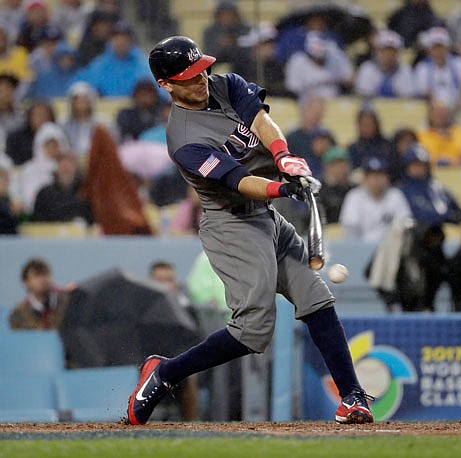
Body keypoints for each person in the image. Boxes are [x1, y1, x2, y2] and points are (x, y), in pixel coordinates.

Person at [126, 35, 374, 426]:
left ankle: (352, 396)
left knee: (316, 298)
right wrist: (282, 188)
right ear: (166, 85)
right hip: (231, 223)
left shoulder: (225, 85)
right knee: (254, 329)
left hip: (263, 214)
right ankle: (166, 372)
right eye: (189, 76)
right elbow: (238, 180)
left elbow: (261, 119)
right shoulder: (184, 140)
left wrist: (284, 157)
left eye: (201, 69)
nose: (201, 79)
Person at [149, 260, 199, 422]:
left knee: (190, 378)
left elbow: (196, 339)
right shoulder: (141, 311)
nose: (165, 285)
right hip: (147, 364)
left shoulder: (186, 309)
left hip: (176, 364)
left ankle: (190, 427)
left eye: (169, 280)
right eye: (160, 280)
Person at [339, 157, 412, 242]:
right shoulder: (354, 196)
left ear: (387, 178)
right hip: (361, 249)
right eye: (373, 176)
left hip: (390, 250)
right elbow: (350, 228)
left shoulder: (395, 196)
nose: (377, 180)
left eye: (380, 175)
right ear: (365, 178)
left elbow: (405, 225)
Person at [73, 21, 154, 97]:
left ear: (131, 41)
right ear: (111, 40)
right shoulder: (98, 65)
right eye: (117, 39)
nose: (121, 42)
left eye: (124, 39)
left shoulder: (143, 65)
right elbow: (84, 88)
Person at [397, 143, 461, 226]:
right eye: (415, 164)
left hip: (440, 232)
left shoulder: (437, 187)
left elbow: (460, 215)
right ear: (407, 166)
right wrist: (442, 216)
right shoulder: (399, 190)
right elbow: (413, 216)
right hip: (415, 233)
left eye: (423, 165)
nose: (420, 168)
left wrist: (442, 216)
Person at [284, 31, 353, 103]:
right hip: (306, 101)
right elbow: (293, 89)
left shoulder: (336, 57)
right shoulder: (297, 61)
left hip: (334, 100)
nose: (318, 60)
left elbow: (349, 81)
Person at [31, 152, 93, 225]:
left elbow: (92, 220)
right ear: (57, 169)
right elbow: (38, 221)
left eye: (70, 165)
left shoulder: (87, 192)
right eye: (63, 165)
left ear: (76, 168)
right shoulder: (44, 193)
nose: (66, 169)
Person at [413, 27, 461, 105]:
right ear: (429, 50)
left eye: (442, 47)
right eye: (435, 48)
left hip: (459, 106)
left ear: (448, 48)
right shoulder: (422, 68)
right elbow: (419, 93)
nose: (439, 51)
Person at [9, 257, 69, 330]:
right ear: (26, 282)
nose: (42, 279)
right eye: (36, 275)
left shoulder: (70, 303)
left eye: (45, 274)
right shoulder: (18, 314)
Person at [354, 29, 414, 99]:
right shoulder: (367, 69)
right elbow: (363, 97)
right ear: (377, 51)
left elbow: (408, 98)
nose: (388, 55)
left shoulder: (406, 71)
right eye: (385, 51)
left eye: (392, 52)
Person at [202, 0, 249, 65]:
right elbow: (208, 54)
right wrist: (220, 45)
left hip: (240, 64)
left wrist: (235, 43)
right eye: (223, 14)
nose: (227, 17)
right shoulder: (210, 31)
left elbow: (248, 51)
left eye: (230, 14)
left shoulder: (244, 29)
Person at [318, 146, 355, 224]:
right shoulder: (319, 190)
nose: (341, 169)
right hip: (328, 232)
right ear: (327, 168)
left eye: (343, 164)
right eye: (335, 166)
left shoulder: (355, 189)